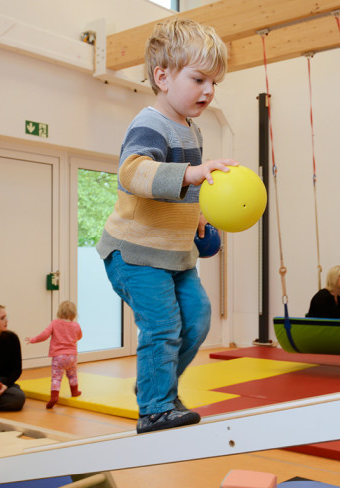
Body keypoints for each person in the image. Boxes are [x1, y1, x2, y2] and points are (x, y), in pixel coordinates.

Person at [96, 18, 238, 434]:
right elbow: (133, 173)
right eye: (198, 79)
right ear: (162, 76)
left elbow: (183, 188)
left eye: (214, 82)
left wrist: (199, 213)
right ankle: (156, 405)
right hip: (135, 253)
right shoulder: (150, 124)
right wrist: (193, 176)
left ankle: (158, 390)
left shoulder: (190, 128)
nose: (208, 91)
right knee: (162, 326)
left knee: (197, 319)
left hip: (175, 253)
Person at [26, 300, 83, 409]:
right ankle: (74, 391)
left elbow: (44, 335)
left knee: (56, 377)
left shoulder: (55, 323)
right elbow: (79, 336)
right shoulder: (76, 325)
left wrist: (33, 340)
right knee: (72, 375)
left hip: (59, 357)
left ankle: (54, 396)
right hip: (72, 356)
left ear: (60, 313)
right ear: (74, 314)